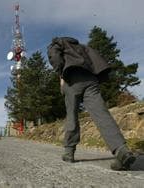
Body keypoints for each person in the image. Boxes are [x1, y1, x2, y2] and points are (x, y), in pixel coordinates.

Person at [47, 37, 136, 171]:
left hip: (72, 79)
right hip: (90, 79)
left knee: (72, 115)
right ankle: (121, 150)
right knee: (101, 113)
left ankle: (69, 152)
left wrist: (61, 75)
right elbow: (96, 59)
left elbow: (55, 58)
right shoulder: (82, 47)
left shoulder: (58, 43)